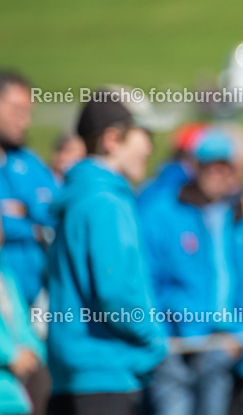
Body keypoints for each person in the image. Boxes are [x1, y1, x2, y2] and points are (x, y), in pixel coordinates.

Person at [46, 95, 167, 415]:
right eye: (144, 136)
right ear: (112, 139)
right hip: (106, 376)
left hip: (75, 375)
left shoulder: (81, 195)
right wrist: (155, 340)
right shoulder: (106, 202)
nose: (150, 149)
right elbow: (117, 293)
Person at [140, 127, 243, 415]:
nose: (217, 174)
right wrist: (176, 323)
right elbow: (149, 281)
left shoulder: (238, 220)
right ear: (195, 167)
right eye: (210, 166)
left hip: (222, 346)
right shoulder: (162, 214)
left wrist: (239, 332)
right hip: (174, 343)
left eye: (225, 167)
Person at [0, 71, 59, 307]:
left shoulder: (29, 161)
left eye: (28, 113)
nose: (24, 122)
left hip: (35, 298)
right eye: (16, 111)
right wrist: (32, 228)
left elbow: (53, 213)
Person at [0, 234, 45, 415]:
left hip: (15, 397)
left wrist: (33, 351)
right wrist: (10, 356)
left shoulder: (6, 274)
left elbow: (23, 320)